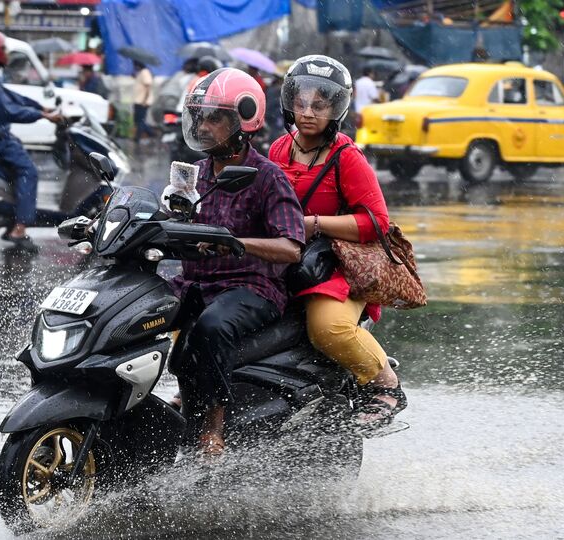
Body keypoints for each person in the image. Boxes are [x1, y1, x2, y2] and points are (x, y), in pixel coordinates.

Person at [170, 67, 305, 458]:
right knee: (137, 314)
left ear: (243, 120)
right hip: (196, 284)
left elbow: (291, 246)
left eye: (216, 118)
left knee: (209, 328)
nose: (205, 126)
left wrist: (237, 244)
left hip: (251, 288)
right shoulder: (194, 174)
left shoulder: (267, 177)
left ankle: (213, 428)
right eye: (201, 117)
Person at [269, 55, 407, 430]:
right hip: (286, 260)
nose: (308, 112)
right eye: (301, 103)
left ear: (337, 108)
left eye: (320, 105)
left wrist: (314, 223)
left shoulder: (347, 157)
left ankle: (386, 385)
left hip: (335, 266)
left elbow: (376, 222)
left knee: (328, 328)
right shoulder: (279, 149)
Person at [0, 30, 63, 252]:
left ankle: (11, 218)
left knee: (18, 166)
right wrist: (42, 116)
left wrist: (40, 107)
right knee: (28, 171)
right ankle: (19, 230)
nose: (7, 54)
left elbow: (10, 97)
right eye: (4, 50)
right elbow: (8, 110)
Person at [132, 60, 155, 142]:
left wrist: (145, 100)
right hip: (139, 100)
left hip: (142, 101)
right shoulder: (141, 72)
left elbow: (148, 85)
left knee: (140, 120)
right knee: (139, 120)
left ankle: (138, 137)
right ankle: (151, 133)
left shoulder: (145, 72)